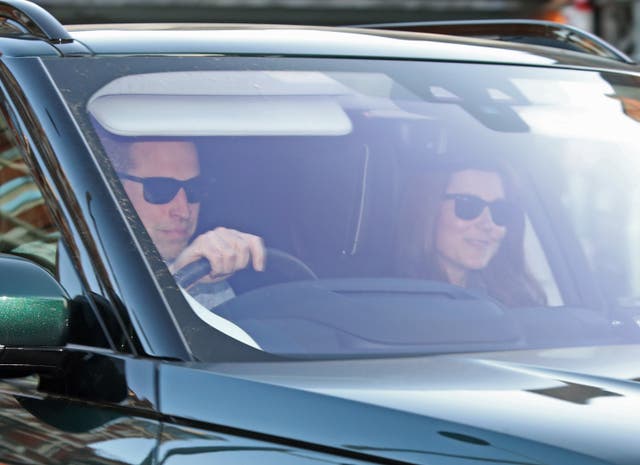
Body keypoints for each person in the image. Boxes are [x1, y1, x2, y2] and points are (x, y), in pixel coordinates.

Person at [109, 138, 266, 308]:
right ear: (114, 189)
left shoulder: (206, 282)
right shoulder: (85, 275)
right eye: (160, 189)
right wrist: (175, 280)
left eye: (194, 188)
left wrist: (180, 277)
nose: (184, 211)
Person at [396, 160, 546, 307]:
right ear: (428, 209)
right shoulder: (393, 301)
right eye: (468, 205)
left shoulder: (517, 301)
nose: (487, 224)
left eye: (500, 210)